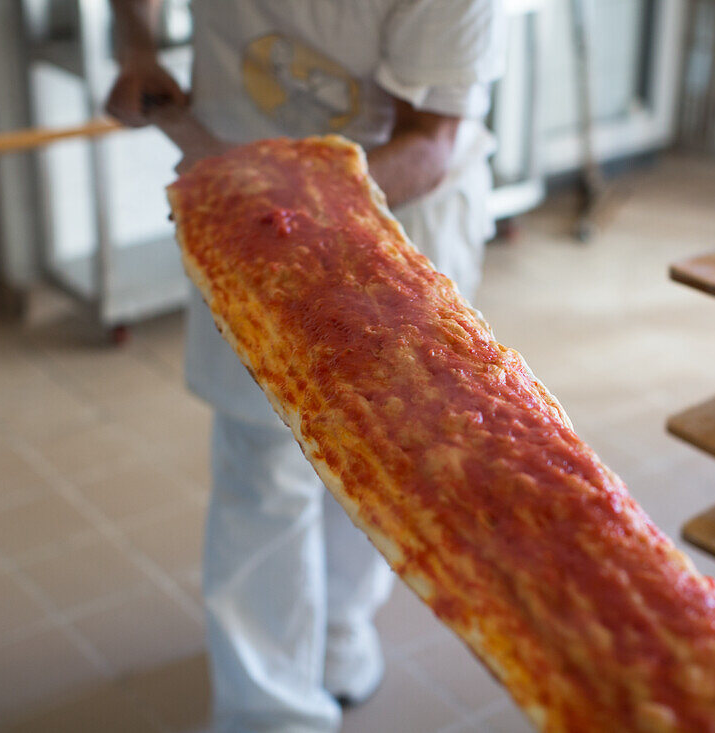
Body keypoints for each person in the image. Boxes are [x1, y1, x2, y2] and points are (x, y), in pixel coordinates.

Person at [106, 1, 504, 731]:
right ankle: (269, 710)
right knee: (262, 463)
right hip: (239, 187)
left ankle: (339, 632)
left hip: (398, 217)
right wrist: (137, 45)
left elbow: (430, 140)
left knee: (382, 458)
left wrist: (282, 202)